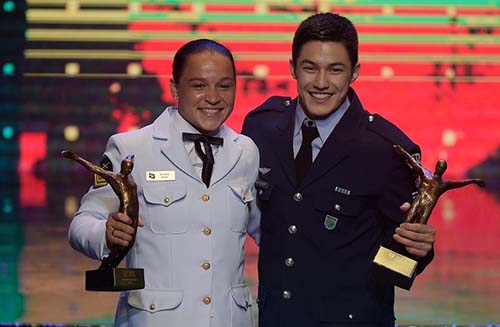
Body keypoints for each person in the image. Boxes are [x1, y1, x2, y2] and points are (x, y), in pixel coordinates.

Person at [242, 13, 436, 326]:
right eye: (310, 67)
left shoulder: (386, 150)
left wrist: (418, 250)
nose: (321, 83)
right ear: (292, 67)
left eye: (335, 69)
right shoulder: (260, 127)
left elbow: (397, 265)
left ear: (354, 72)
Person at [68, 39, 260, 327]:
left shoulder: (246, 151)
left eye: (224, 85)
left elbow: (269, 229)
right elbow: (80, 225)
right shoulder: (131, 148)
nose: (213, 97)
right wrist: (106, 234)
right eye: (199, 85)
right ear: (174, 89)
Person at [394, 144, 485, 224]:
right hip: (418, 200)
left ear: (444, 170)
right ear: (436, 167)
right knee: (407, 223)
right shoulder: (426, 174)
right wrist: (403, 152)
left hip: (428, 206)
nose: (440, 168)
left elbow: (461, 183)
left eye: (442, 167)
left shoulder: (443, 184)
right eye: (440, 166)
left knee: (418, 227)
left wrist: (475, 181)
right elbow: (413, 163)